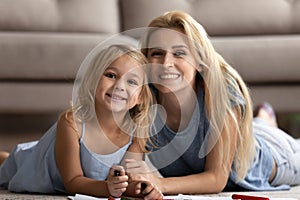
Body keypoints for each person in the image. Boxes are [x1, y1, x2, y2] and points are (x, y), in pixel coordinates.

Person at [125, 11, 300, 194]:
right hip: (243, 133)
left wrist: (160, 184)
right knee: (252, 129)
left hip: (279, 156)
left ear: (199, 61)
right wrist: (135, 180)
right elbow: (132, 161)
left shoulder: (222, 93)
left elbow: (216, 179)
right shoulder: (145, 96)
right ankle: (263, 118)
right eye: (157, 53)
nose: (166, 62)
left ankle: (265, 121)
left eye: (179, 53)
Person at [0, 44, 163, 199]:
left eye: (132, 81)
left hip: (93, 183)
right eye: (111, 75)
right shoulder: (71, 122)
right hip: (37, 164)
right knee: (8, 166)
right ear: (94, 80)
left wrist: (143, 188)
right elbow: (72, 182)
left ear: (141, 96)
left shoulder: (137, 133)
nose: (120, 86)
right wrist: (107, 188)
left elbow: (128, 181)